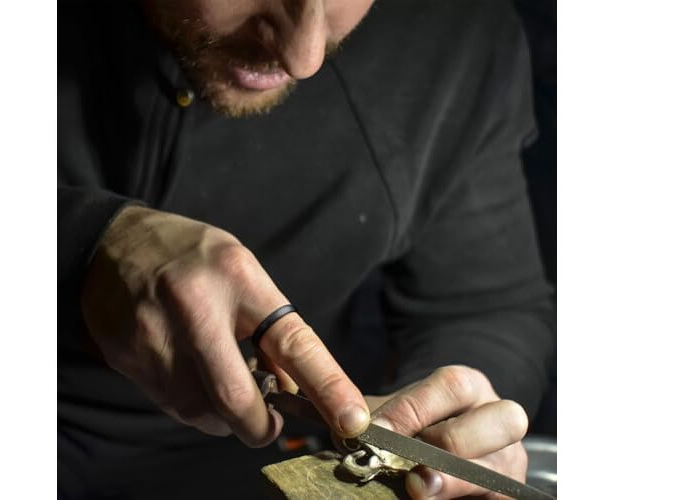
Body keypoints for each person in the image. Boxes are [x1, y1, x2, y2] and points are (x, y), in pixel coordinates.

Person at [58, 0, 556, 498]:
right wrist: (84, 241)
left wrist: (453, 417)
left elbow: (485, 307)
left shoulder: (455, 35)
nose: (304, 57)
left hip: (243, 462)